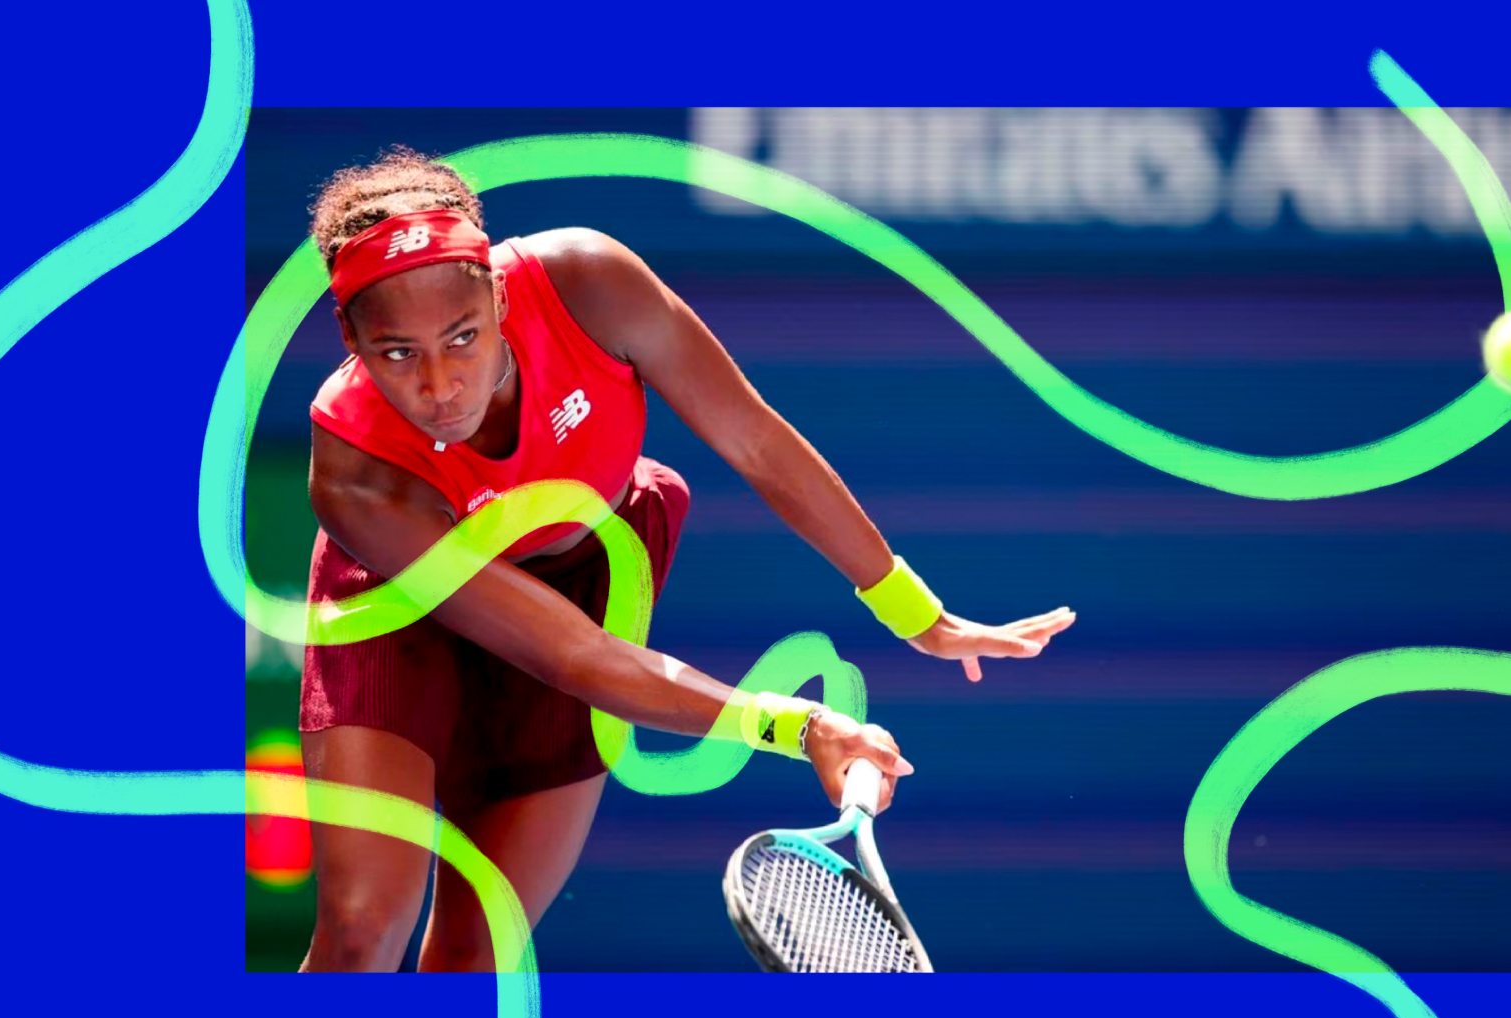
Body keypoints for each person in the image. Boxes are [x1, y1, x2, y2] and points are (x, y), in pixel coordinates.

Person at [294, 148, 1075, 972]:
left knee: (474, 957)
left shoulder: (589, 282)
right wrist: (797, 726)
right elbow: (570, 656)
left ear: (495, 293)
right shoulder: (355, 477)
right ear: (349, 337)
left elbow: (754, 438)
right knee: (360, 928)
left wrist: (916, 614)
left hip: (592, 574)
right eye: (398, 354)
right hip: (397, 613)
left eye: (462, 338)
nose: (442, 385)